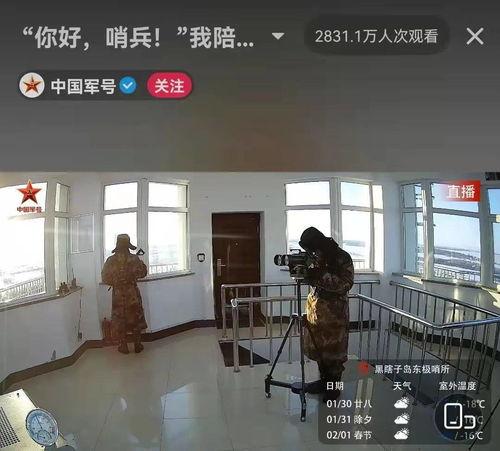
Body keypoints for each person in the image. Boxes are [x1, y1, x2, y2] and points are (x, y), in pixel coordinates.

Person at [299, 227, 354, 402]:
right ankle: (324, 382)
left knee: (334, 355)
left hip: (334, 315)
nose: (313, 253)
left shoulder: (341, 257)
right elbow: (313, 279)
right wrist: (306, 273)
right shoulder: (317, 256)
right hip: (316, 312)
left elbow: (345, 284)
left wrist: (321, 275)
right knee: (319, 351)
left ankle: (334, 388)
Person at [101, 234, 148, 354]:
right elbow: (143, 273)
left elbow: (105, 278)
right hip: (132, 293)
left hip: (118, 294)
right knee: (135, 317)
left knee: (120, 319)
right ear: (128, 245)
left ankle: (123, 346)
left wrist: (116, 282)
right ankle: (137, 345)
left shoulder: (111, 260)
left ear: (117, 244)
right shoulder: (134, 259)